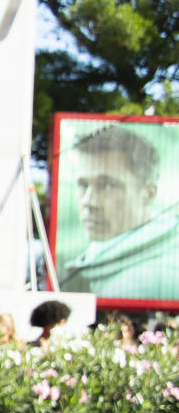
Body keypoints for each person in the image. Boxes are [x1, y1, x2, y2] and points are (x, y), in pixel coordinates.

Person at [60, 125, 179, 299]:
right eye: (83, 185)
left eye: (107, 186)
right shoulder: (103, 260)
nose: (88, 201)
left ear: (148, 194)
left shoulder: (136, 285)